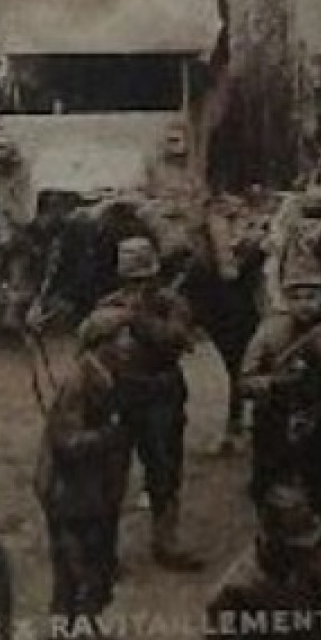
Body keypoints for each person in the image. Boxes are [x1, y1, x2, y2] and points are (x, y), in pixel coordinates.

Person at [75, 236, 204, 570]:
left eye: (143, 279)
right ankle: (104, 553)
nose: (137, 286)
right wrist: (94, 327)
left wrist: (136, 319)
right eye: (131, 280)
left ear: (155, 274)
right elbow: (84, 344)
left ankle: (166, 543)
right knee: (110, 475)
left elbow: (179, 339)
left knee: (164, 471)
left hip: (161, 396)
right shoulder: (108, 303)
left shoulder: (172, 303)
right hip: (119, 397)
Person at [241, 247, 321, 583]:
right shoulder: (269, 332)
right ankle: (278, 587)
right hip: (275, 434)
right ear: (286, 298)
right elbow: (246, 381)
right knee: (274, 511)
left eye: (312, 295)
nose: (306, 303)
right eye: (297, 295)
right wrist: (273, 384)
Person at [36, 321, 135, 640]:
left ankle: (60, 632)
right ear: (101, 343)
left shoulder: (102, 375)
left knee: (69, 567)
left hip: (80, 489)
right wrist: (110, 436)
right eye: (123, 337)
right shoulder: (81, 383)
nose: (129, 344)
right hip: (74, 492)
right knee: (89, 566)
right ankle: (82, 637)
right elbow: (67, 442)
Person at [199, 485, 321, 640]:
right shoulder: (235, 595)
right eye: (295, 548)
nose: (307, 554)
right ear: (271, 543)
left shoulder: (312, 572)